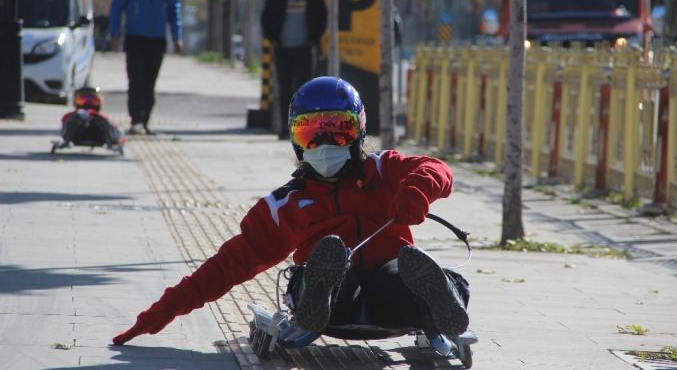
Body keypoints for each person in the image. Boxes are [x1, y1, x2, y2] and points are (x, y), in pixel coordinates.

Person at [112, 76, 470, 346]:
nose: (325, 144)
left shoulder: (383, 170)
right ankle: (318, 291)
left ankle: (439, 298)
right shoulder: (287, 204)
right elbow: (229, 264)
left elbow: (435, 169)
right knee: (326, 266)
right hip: (330, 310)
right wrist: (160, 313)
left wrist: (415, 190)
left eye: (339, 132)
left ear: (359, 133)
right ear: (296, 142)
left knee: (406, 276)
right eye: (310, 134)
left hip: (388, 298)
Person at [109, 0, 183, 136]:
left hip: (156, 38)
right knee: (135, 80)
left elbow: (174, 9)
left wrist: (177, 36)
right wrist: (114, 32)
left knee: (150, 82)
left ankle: (146, 120)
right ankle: (135, 120)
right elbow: (118, 6)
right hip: (135, 37)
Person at [261, 0, 327, 139]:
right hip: (283, 48)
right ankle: (285, 127)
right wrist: (273, 38)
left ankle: (303, 128)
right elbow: (266, 18)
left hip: (305, 49)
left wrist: (313, 40)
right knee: (284, 88)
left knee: (305, 90)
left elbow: (322, 20)